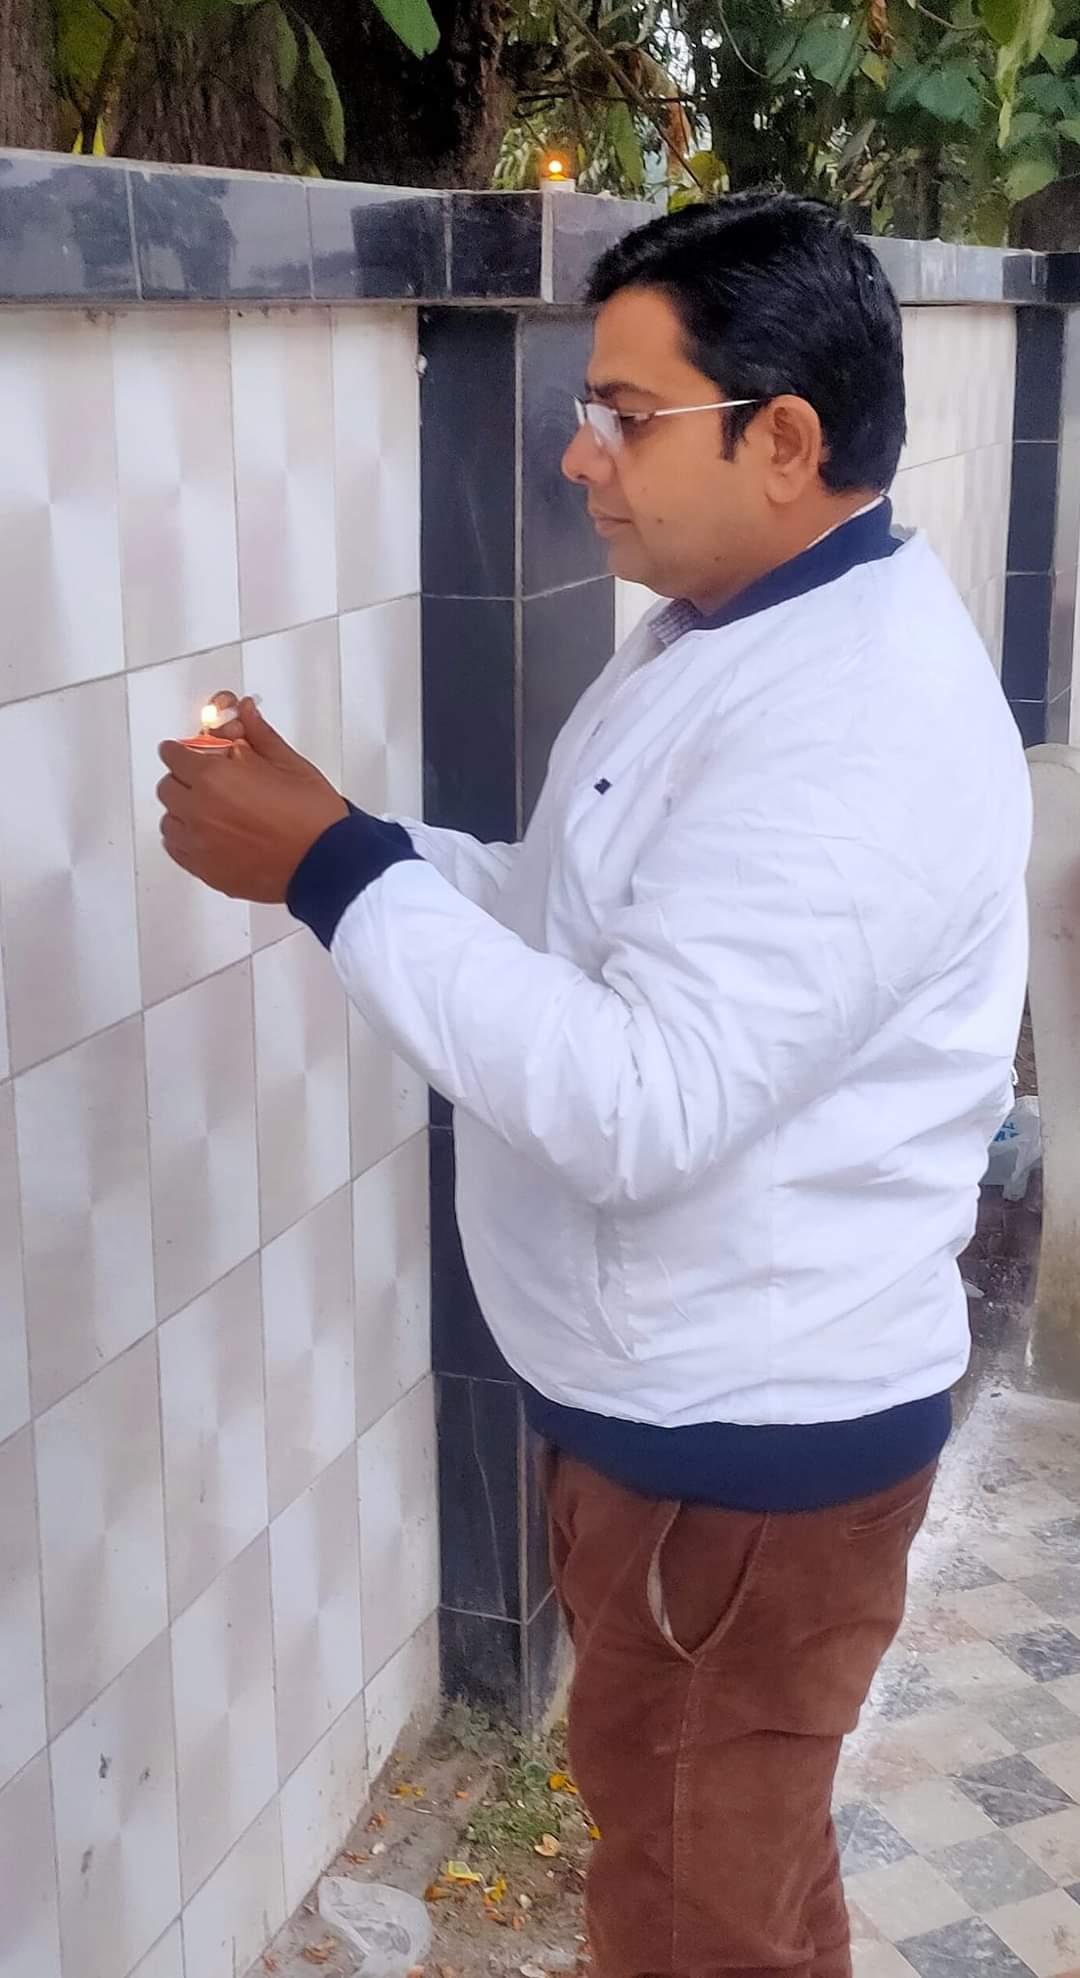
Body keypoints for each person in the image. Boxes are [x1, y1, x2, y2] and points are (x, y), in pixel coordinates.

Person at [157, 192, 1031, 1978]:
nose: (578, 457)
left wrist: (332, 869)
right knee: (727, 1887)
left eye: (628, 415)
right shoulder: (733, 629)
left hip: (749, 1471)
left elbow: (641, 1099)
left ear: (783, 441)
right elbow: (581, 921)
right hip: (683, 1433)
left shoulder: (855, 726)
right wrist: (357, 838)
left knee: (699, 1926)